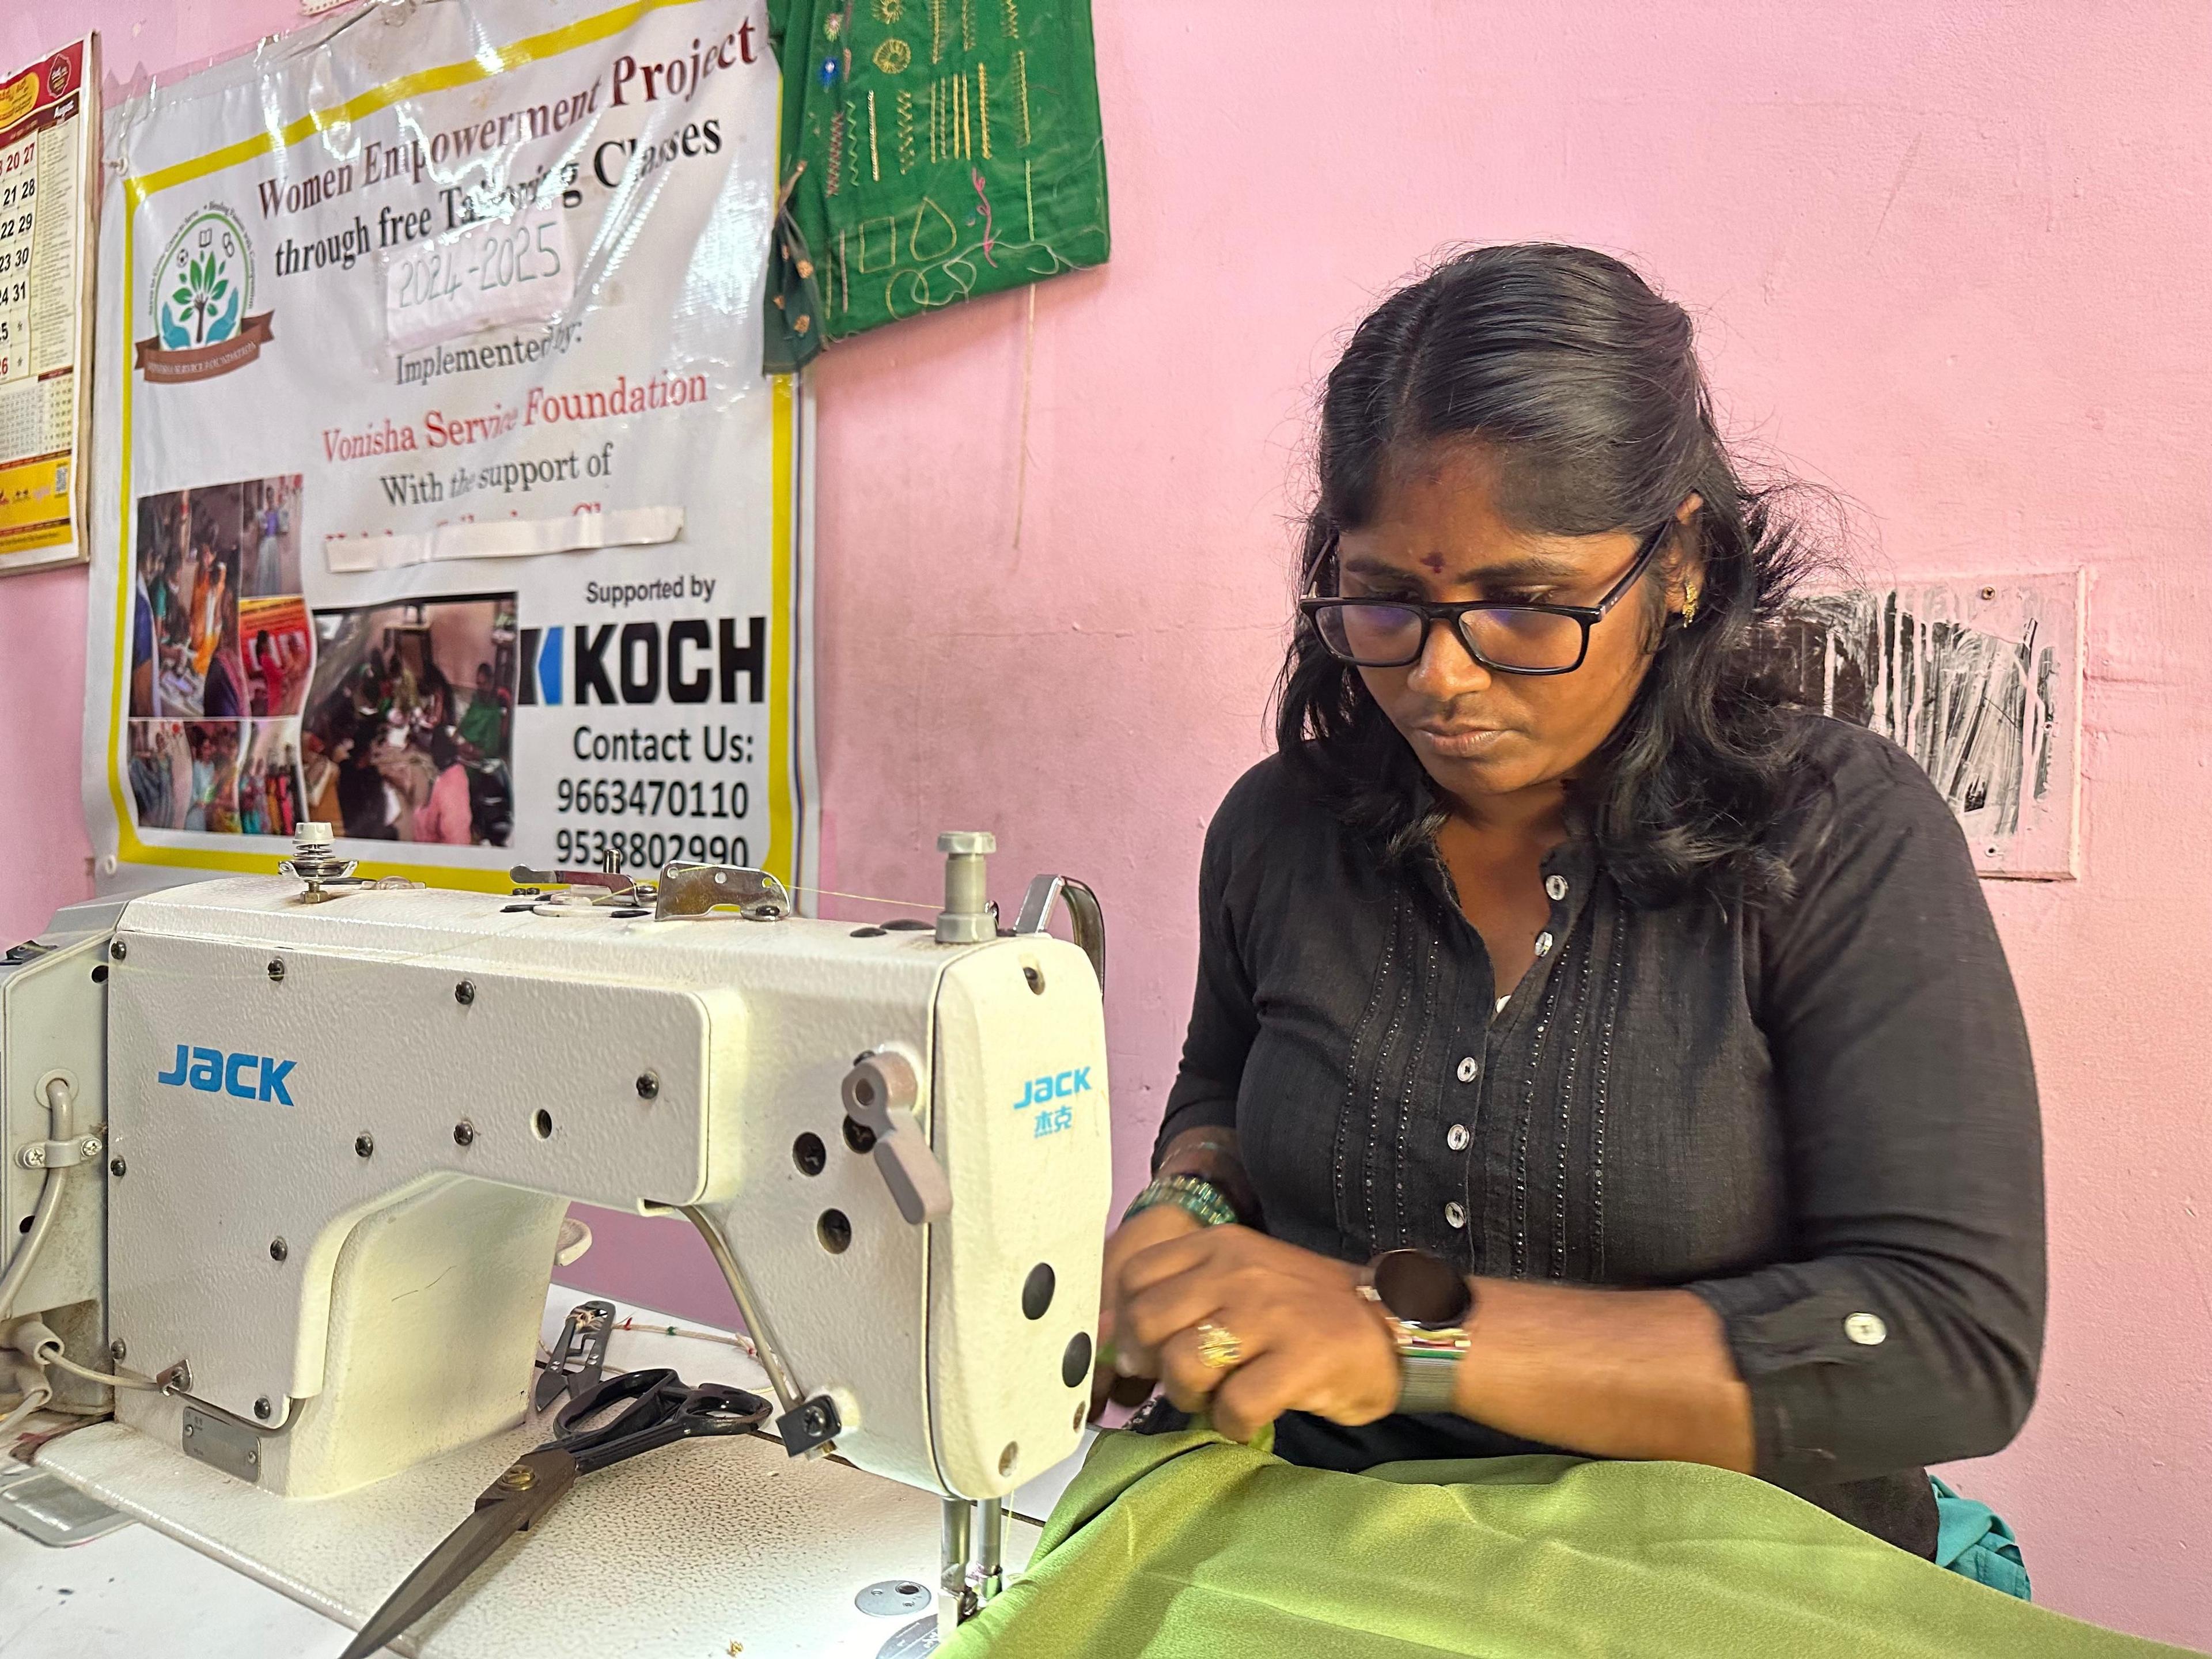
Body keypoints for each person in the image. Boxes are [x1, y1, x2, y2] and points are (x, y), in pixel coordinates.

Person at [1094, 245, 2043, 1566]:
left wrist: (1407, 1338)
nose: (1442, 680)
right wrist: (1186, 1213)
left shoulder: (1839, 835)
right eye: (1384, 601)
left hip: (1728, 1585)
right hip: (1331, 1555)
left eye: (1528, 607)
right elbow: (1221, 1087)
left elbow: (1948, 1341)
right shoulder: (1281, 829)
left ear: (1683, 565)